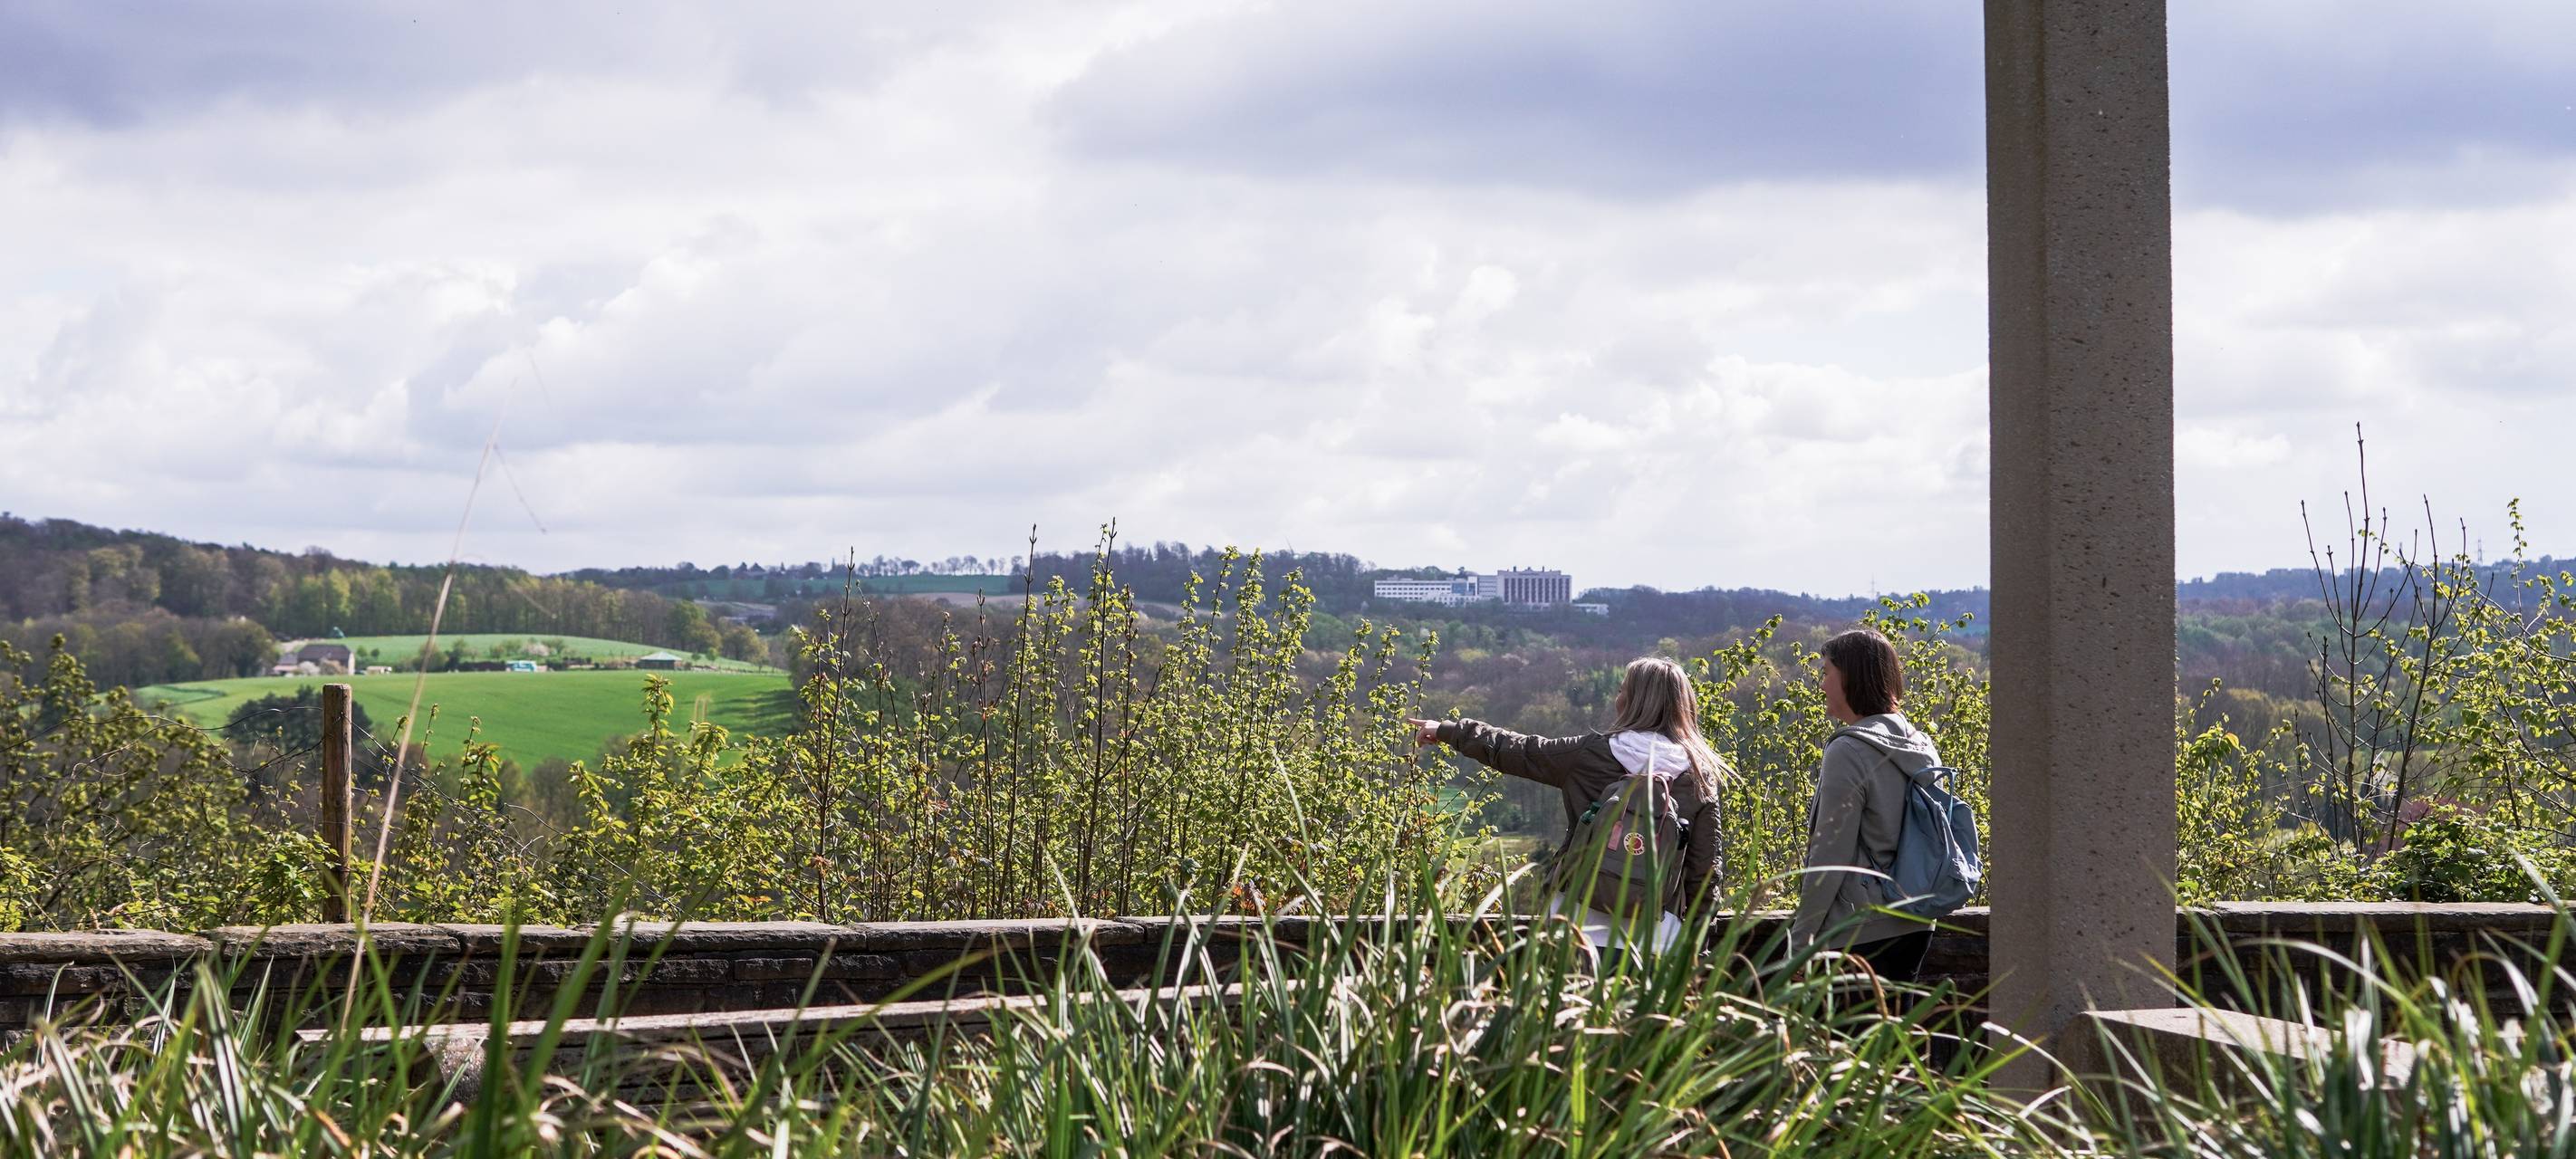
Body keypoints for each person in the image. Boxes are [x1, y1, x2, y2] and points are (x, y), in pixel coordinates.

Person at [1408, 656, 1725, 957]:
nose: (1617, 698)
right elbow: (1705, 876)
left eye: (1621, 691)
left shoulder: (1591, 754)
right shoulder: (1699, 777)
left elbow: (1521, 750)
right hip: (1655, 938)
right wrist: (1696, 951)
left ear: (1632, 702)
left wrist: (1449, 730)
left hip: (1574, 925)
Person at [1792, 627, 1941, 982]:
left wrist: (1800, 943)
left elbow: (1829, 855)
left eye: (1827, 672)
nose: (1823, 685)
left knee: (1851, 1038)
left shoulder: (1848, 751)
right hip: (1916, 923)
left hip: (1860, 931)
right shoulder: (1921, 744)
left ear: (1851, 677)